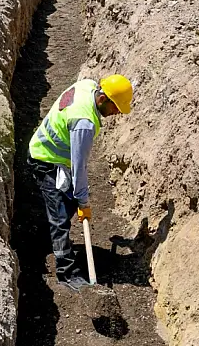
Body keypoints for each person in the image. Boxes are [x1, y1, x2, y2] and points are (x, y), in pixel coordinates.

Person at [28, 74, 133, 290]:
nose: (115, 114)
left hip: (49, 150)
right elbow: (79, 168)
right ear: (102, 99)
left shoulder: (88, 86)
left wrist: (78, 199)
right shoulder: (84, 123)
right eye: (115, 108)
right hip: (46, 160)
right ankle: (66, 273)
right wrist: (83, 202)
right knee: (60, 217)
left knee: (66, 204)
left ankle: (50, 240)